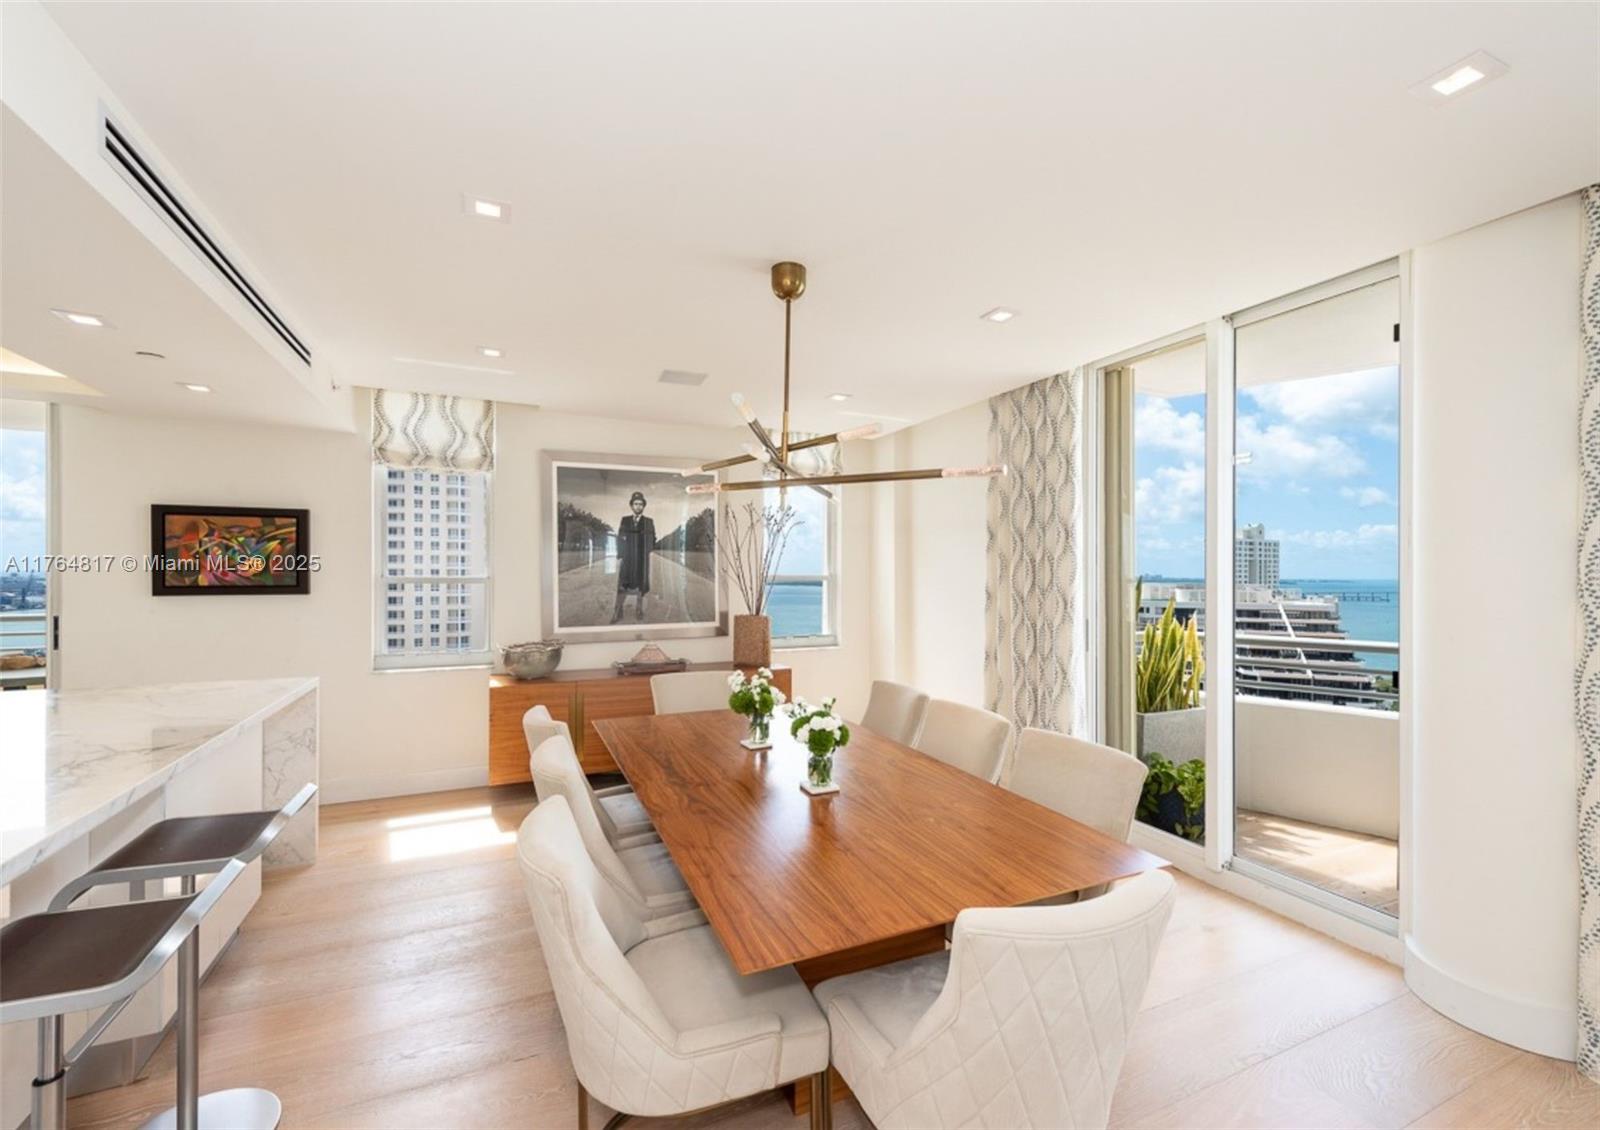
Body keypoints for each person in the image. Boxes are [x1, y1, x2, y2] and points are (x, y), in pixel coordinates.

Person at [612, 490, 655, 623]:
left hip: (641, 559)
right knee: (622, 584)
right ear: (631, 505)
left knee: (641, 585)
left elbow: (653, 538)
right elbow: (620, 538)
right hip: (628, 558)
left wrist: (646, 551)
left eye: (640, 504)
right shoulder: (625, 520)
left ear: (643, 506)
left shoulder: (648, 521)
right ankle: (618, 611)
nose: (638, 506)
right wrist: (621, 554)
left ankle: (639, 608)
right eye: (635, 504)